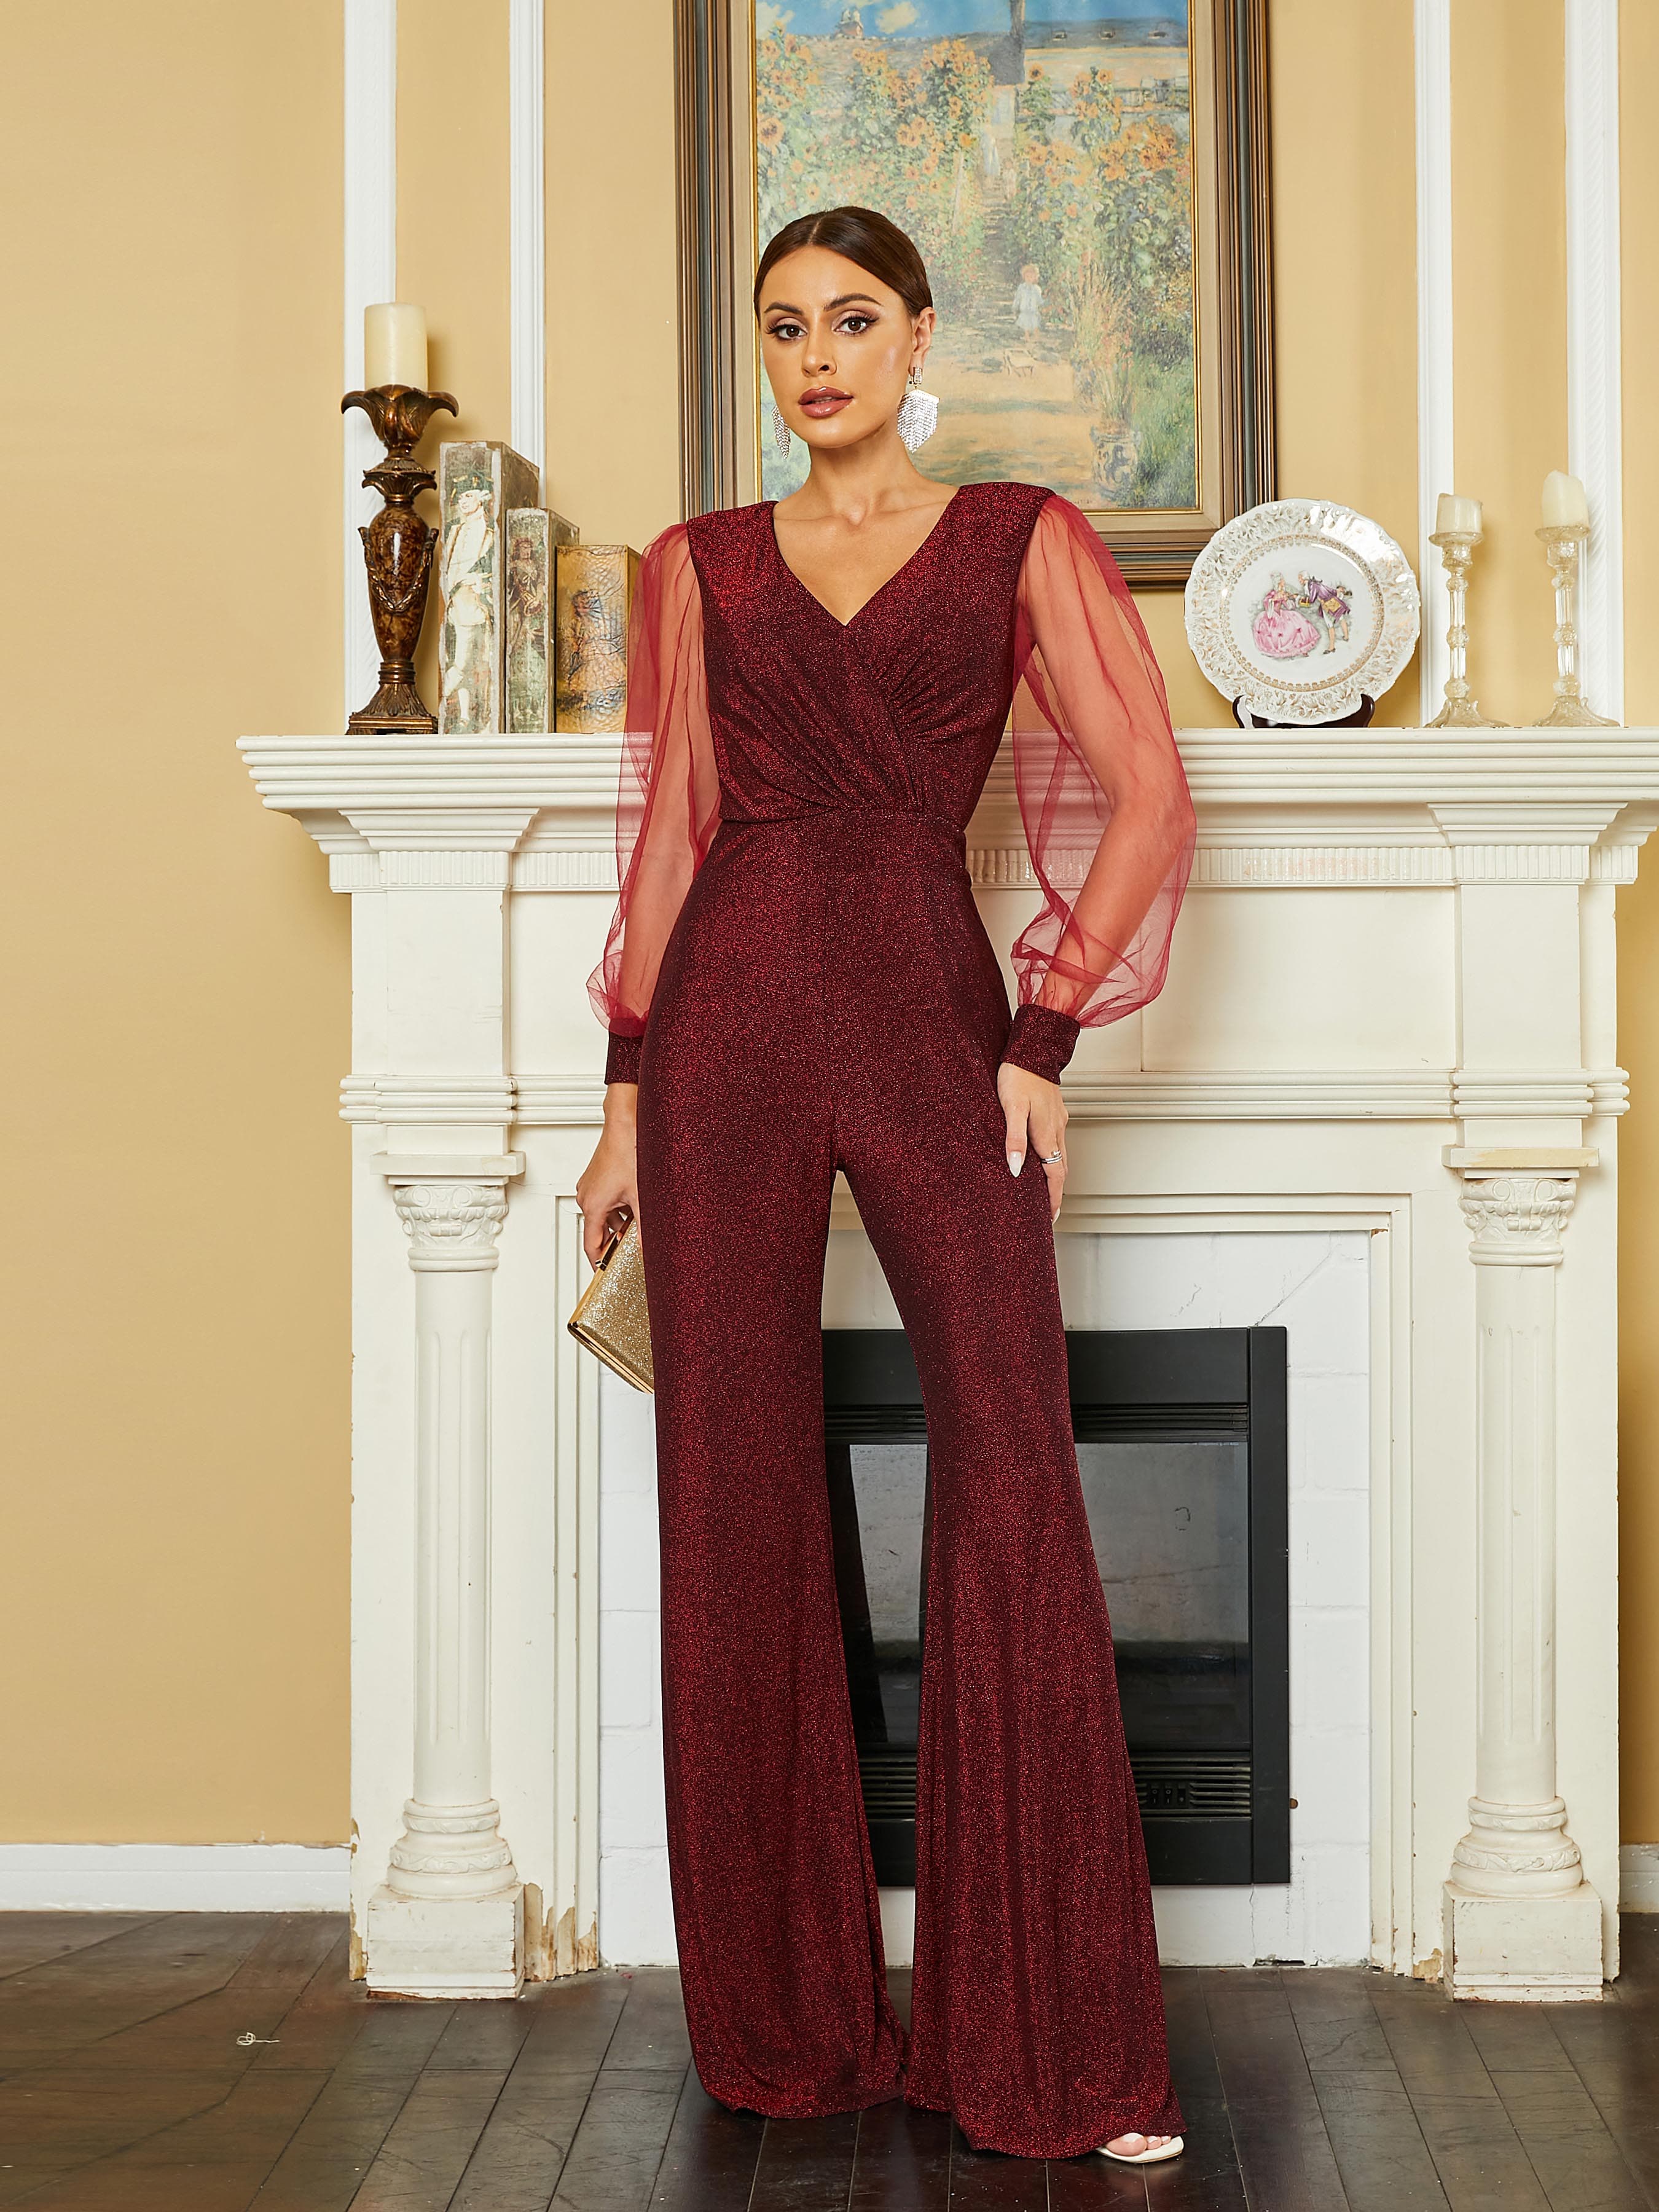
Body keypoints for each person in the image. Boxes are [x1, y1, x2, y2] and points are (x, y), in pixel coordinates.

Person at [576, 204, 1195, 2167]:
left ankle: (1058, 2049)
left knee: (1009, 1461)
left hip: (937, 1017)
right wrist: (620, 1094)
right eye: (784, 329)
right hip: (726, 1030)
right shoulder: (696, 564)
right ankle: (786, 2027)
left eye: (851, 321)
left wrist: (1042, 1034)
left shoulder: (1019, 536)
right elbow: (672, 838)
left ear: (919, 336)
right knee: (731, 1492)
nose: (817, 359)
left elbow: (1148, 791)